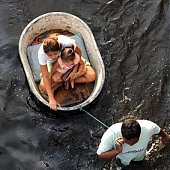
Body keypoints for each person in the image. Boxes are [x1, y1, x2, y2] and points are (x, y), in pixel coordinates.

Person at [38, 33, 96, 110]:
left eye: (55, 53)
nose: (53, 57)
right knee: (43, 87)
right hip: (56, 65)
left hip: (71, 60)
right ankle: (65, 80)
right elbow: (46, 75)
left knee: (92, 76)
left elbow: (78, 53)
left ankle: (64, 81)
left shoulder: (67, 43)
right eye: (50, 55)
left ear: (59, 48)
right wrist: (51, 98)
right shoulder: (42, 53)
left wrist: (75, 71)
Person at [97, 117, 170, 166]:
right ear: (122, 134)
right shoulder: (111, 134)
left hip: (140, 159)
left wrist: (165, 137)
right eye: (127, 142)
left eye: (134, 142)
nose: (131, 144)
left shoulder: (149, 127)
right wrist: (117, 151)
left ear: (139, 135)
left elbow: (159, 131)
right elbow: (101, 156)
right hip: (122, 162)